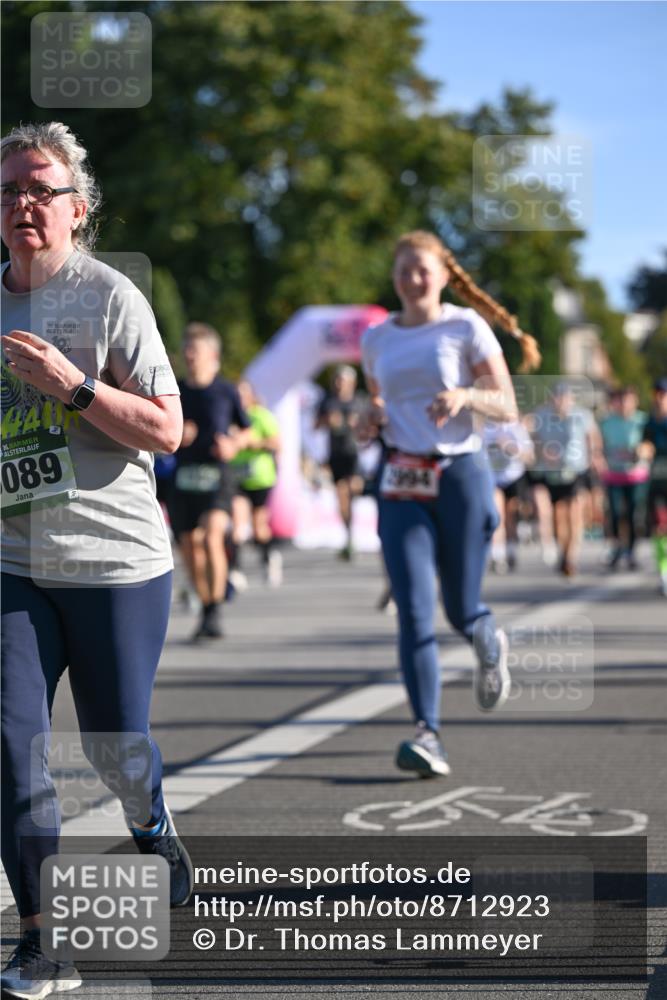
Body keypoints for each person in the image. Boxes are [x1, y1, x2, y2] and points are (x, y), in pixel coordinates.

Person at [0, 122, 193, 998]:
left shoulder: (111, 297)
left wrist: (71, 388)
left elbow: (165, 429)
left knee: (117, 748)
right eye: (8, 191)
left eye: (41, 188)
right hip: (12, 563)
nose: (23, 204)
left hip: (115, 561)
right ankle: (44, 941)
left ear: (79, 208)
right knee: (10, 746)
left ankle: (151, 820)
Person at [361, 230, 541, 778]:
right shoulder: (377, 338)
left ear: (443, 275)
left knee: (461, 608)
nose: (413, 279)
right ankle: (427, 734)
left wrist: (466, 395)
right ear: (394, 276)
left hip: (461, 472)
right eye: (404, 270)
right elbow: (378, 400)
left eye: (423, 270)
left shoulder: (465, 326)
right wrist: (370, 418)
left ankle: (487, 635)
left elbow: (507, 406)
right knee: (414, 610)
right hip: (402, 480)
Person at [170, 323, 252, 639]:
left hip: (217, 474)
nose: (190, 356)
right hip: (184, 475)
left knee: (212, 536)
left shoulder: (226, 390)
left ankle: (215, 607)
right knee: (190, 547)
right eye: (187, 350)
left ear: (212, 355)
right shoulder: (175, 390)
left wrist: (234, 444)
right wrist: (177, 435)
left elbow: (246, 429)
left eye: (196, 350)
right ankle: (205, 604)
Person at [529, 383, 604, 577]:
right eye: (557, 397)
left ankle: (572, 556)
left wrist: (595, 456)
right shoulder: (542, 416)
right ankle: (564, 552)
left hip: (576, 469)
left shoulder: (582, 415)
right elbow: (534, 440)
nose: (561, 402)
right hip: (552, 472)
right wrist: (541, 452)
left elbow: (593, 436)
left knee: (575, 513)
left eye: (565, 398)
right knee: (559, 516)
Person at [229, 379, 283, 587]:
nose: (240, 399)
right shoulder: (229, 416)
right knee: (238, 525)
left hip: (260, 478)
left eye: (243, 394)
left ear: (251, 395)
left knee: (259, 526)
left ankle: (269, 558)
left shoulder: (261, 416)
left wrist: (253, 443)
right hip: (236, 478)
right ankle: (235, 570)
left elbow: (277, 443)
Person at [316, 365, 364, 559]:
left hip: (355, 455)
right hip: (336, 456)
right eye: (337, 380)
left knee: (353, 492)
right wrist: (327, 421)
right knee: (342, 498)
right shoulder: (328, 402)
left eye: (343, 381)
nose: (339, 385)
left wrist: (357, 424)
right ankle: (349, 536)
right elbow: (315, 426)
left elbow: (369, 427)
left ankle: (353, 532)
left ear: (351, 384)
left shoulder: (359, 401)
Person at [599, 386, 649, 569]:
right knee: (614, 513)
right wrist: (599, 460)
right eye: (621, 400)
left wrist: (642, 452)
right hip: (613, 475)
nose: (624, 404)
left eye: (628, 400)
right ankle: (617, 546)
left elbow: (650, 445)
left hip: (637, 475)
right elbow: (599, 445)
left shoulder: (643, 421)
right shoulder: (607, 422)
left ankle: (631, 550)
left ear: (635, 401)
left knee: (634, 514)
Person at [483, 417, 534, 573]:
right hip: (493, 478)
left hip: (513, 478)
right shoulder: (484, 428)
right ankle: (498, 555)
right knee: (498, 515)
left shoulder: (515, 428)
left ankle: (511, 550)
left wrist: (510, 447)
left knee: (511, 517)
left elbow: (529, 457)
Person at [639, 377, 667, 595]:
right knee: (659, 526)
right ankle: (663, 571)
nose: (660, 398)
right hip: (657, 481)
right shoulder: (649, 423)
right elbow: (645, 445)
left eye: (664, 394)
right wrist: (643, 450)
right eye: (657, 393)